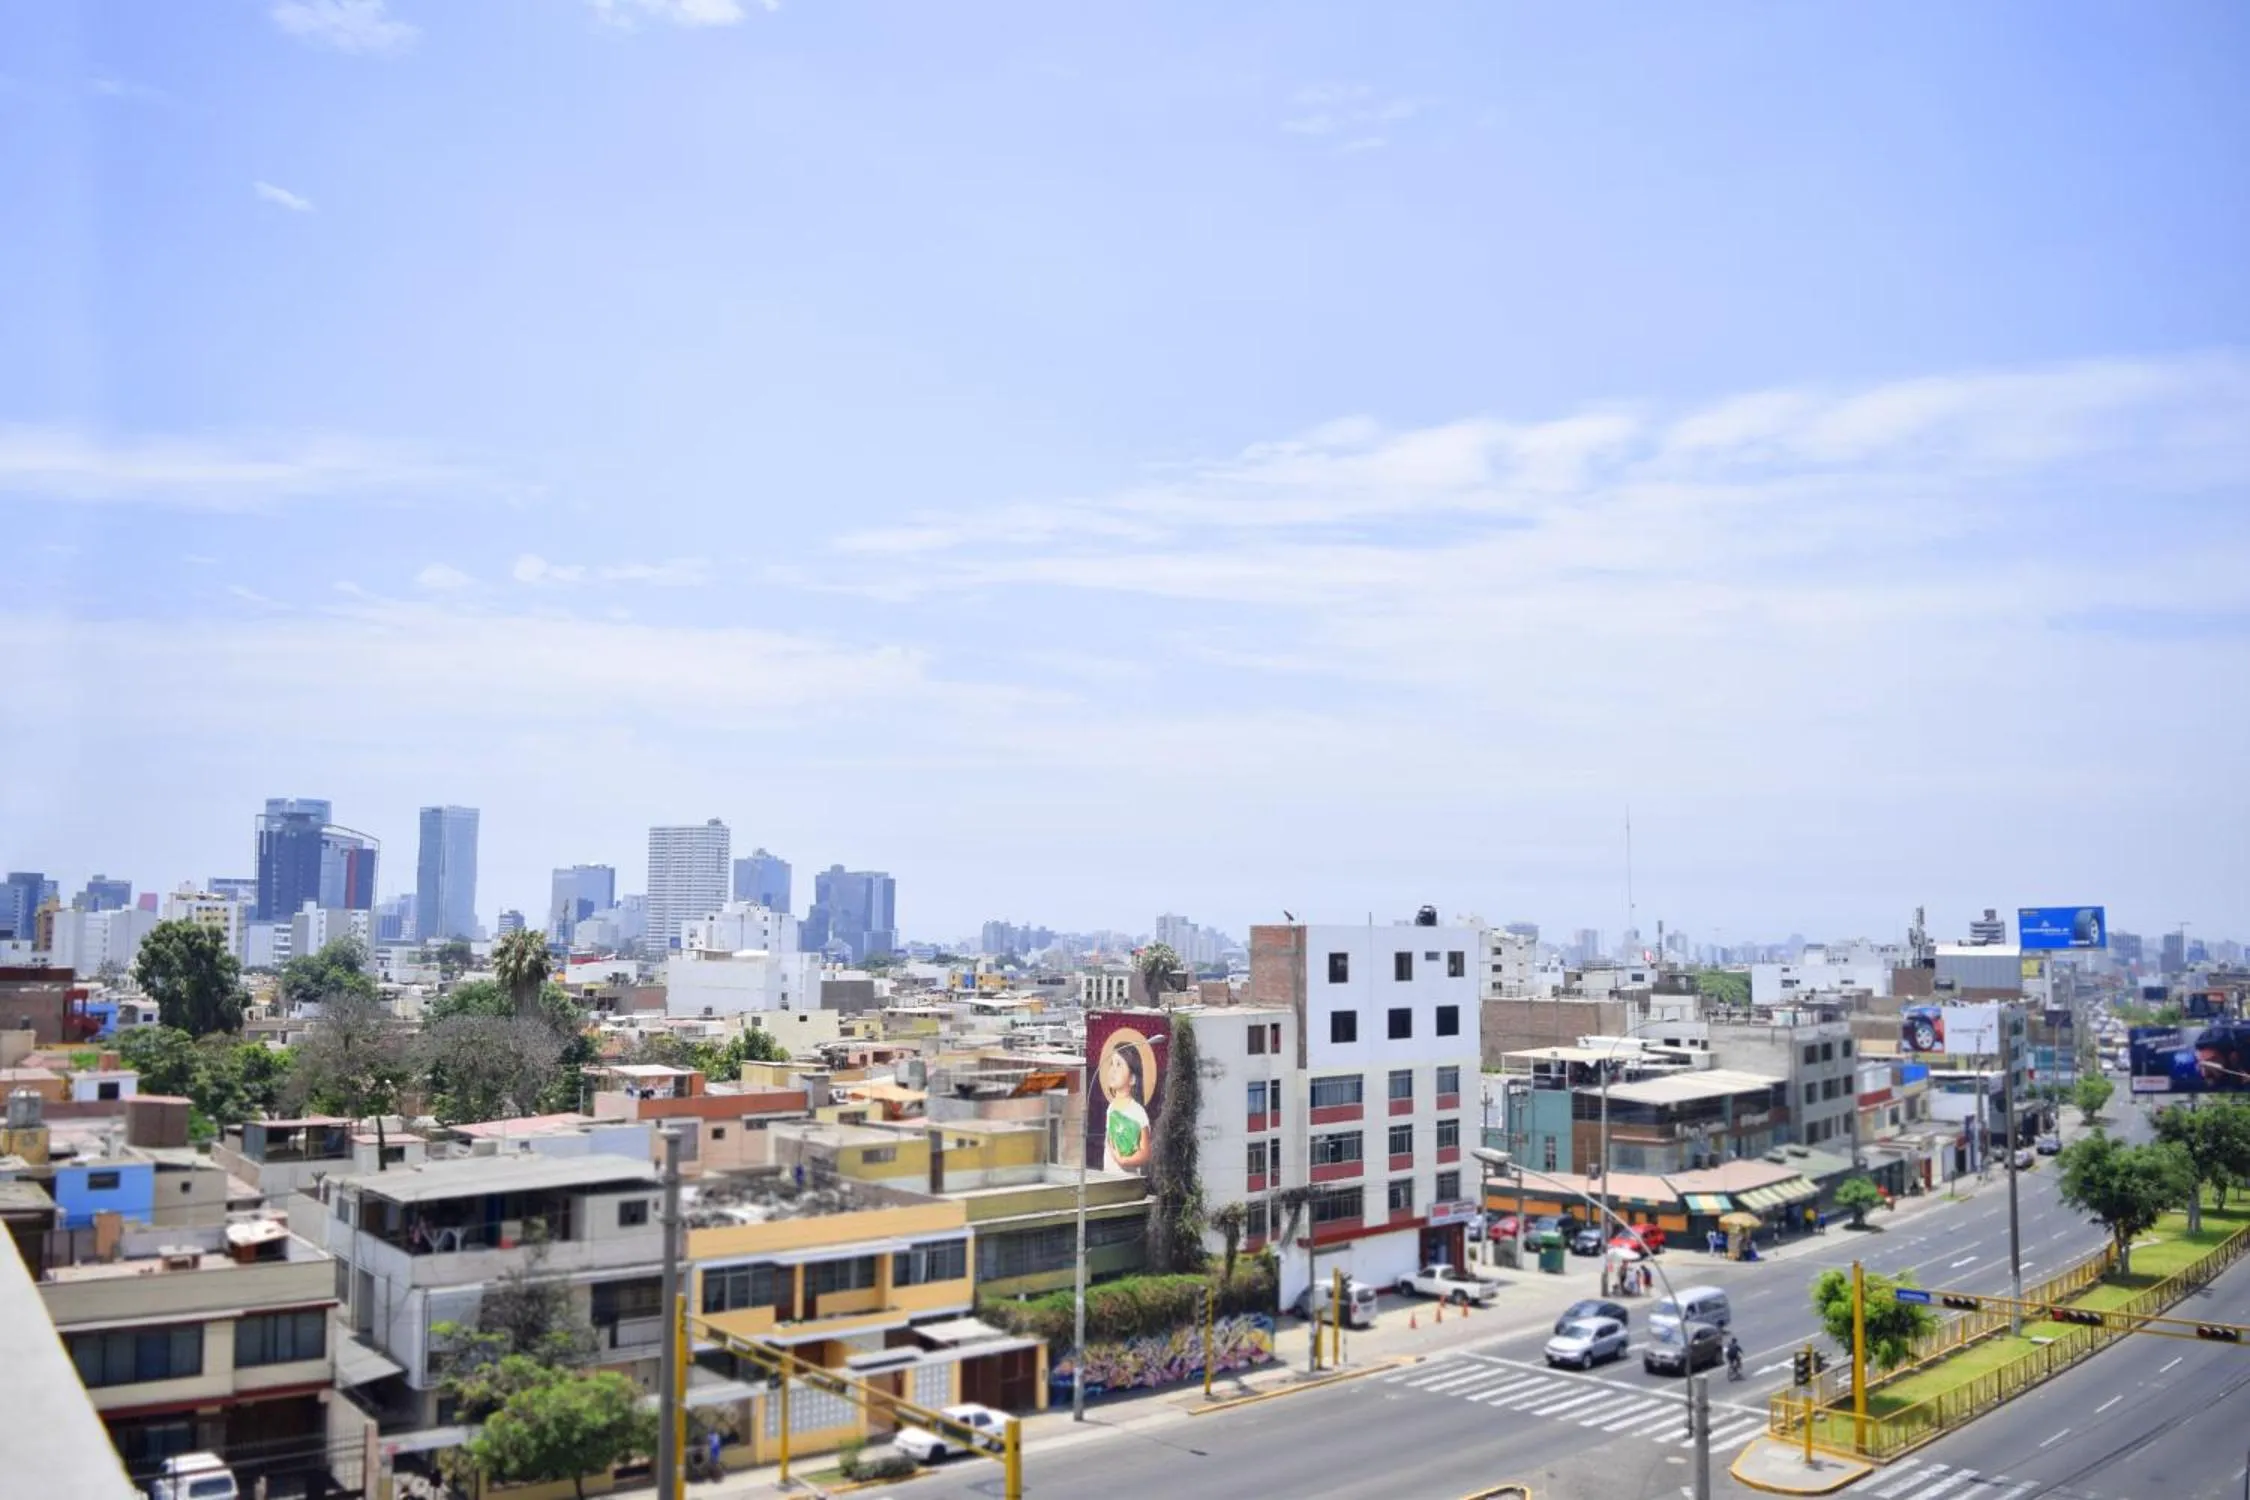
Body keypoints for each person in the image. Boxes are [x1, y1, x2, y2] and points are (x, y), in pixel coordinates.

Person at [1101, 1042, 1153, 1173]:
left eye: (1119, 1065)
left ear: (1132, 1079)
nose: (1113, 1070)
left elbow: (1145, 1153)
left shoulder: (1137, 1112)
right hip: (1108, 1177)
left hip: (1128, 1180)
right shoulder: (1111, 1107)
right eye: (1111, 1064)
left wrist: (1123, 1161)